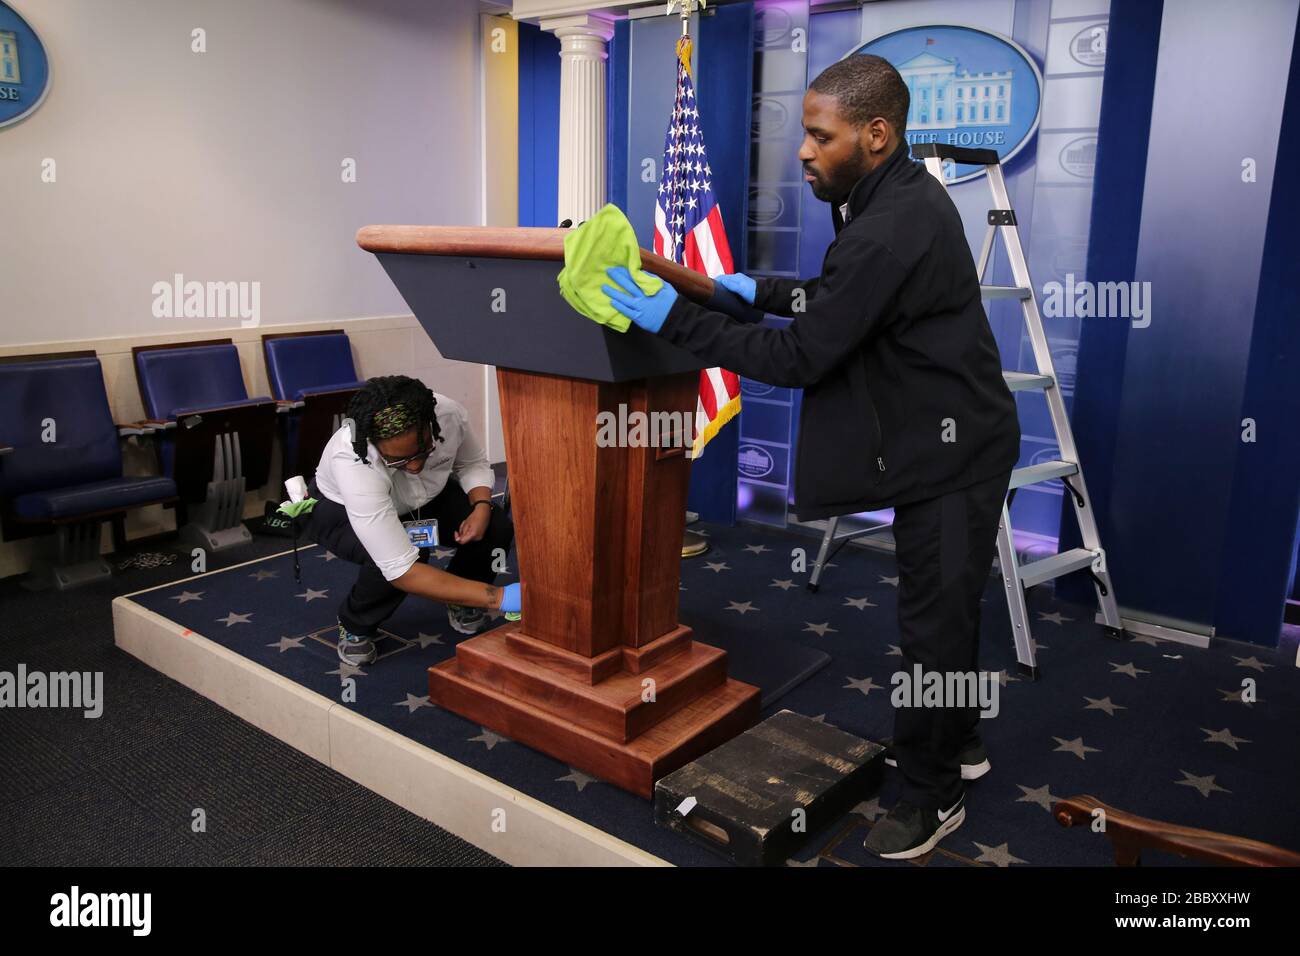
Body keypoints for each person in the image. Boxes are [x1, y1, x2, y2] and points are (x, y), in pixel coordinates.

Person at [601, 54, 1020, 859]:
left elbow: (803, 357)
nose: (802, 150)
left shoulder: (893, 225)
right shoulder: (880, 195)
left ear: (875, 133)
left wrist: (674, 318)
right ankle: (959, 743)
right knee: (949, 611)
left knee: (935, 621)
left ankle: (934, 794)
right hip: (940, 437)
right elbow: (838, 299)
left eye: (818, 136)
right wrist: (740, 289)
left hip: (954, 454)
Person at [300, 374, 520, 665]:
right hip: (340, 508)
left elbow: (472, 463)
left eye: (423, 451)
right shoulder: (353, 461)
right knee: (398, 559)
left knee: (495, 525)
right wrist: (499, 597)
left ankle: (462, 597)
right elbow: (401, 569)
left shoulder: (448, 414)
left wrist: (481, 505)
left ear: (431, 424)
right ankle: (354, 625)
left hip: (427, 497)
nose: (415, 466)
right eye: (399, 461)